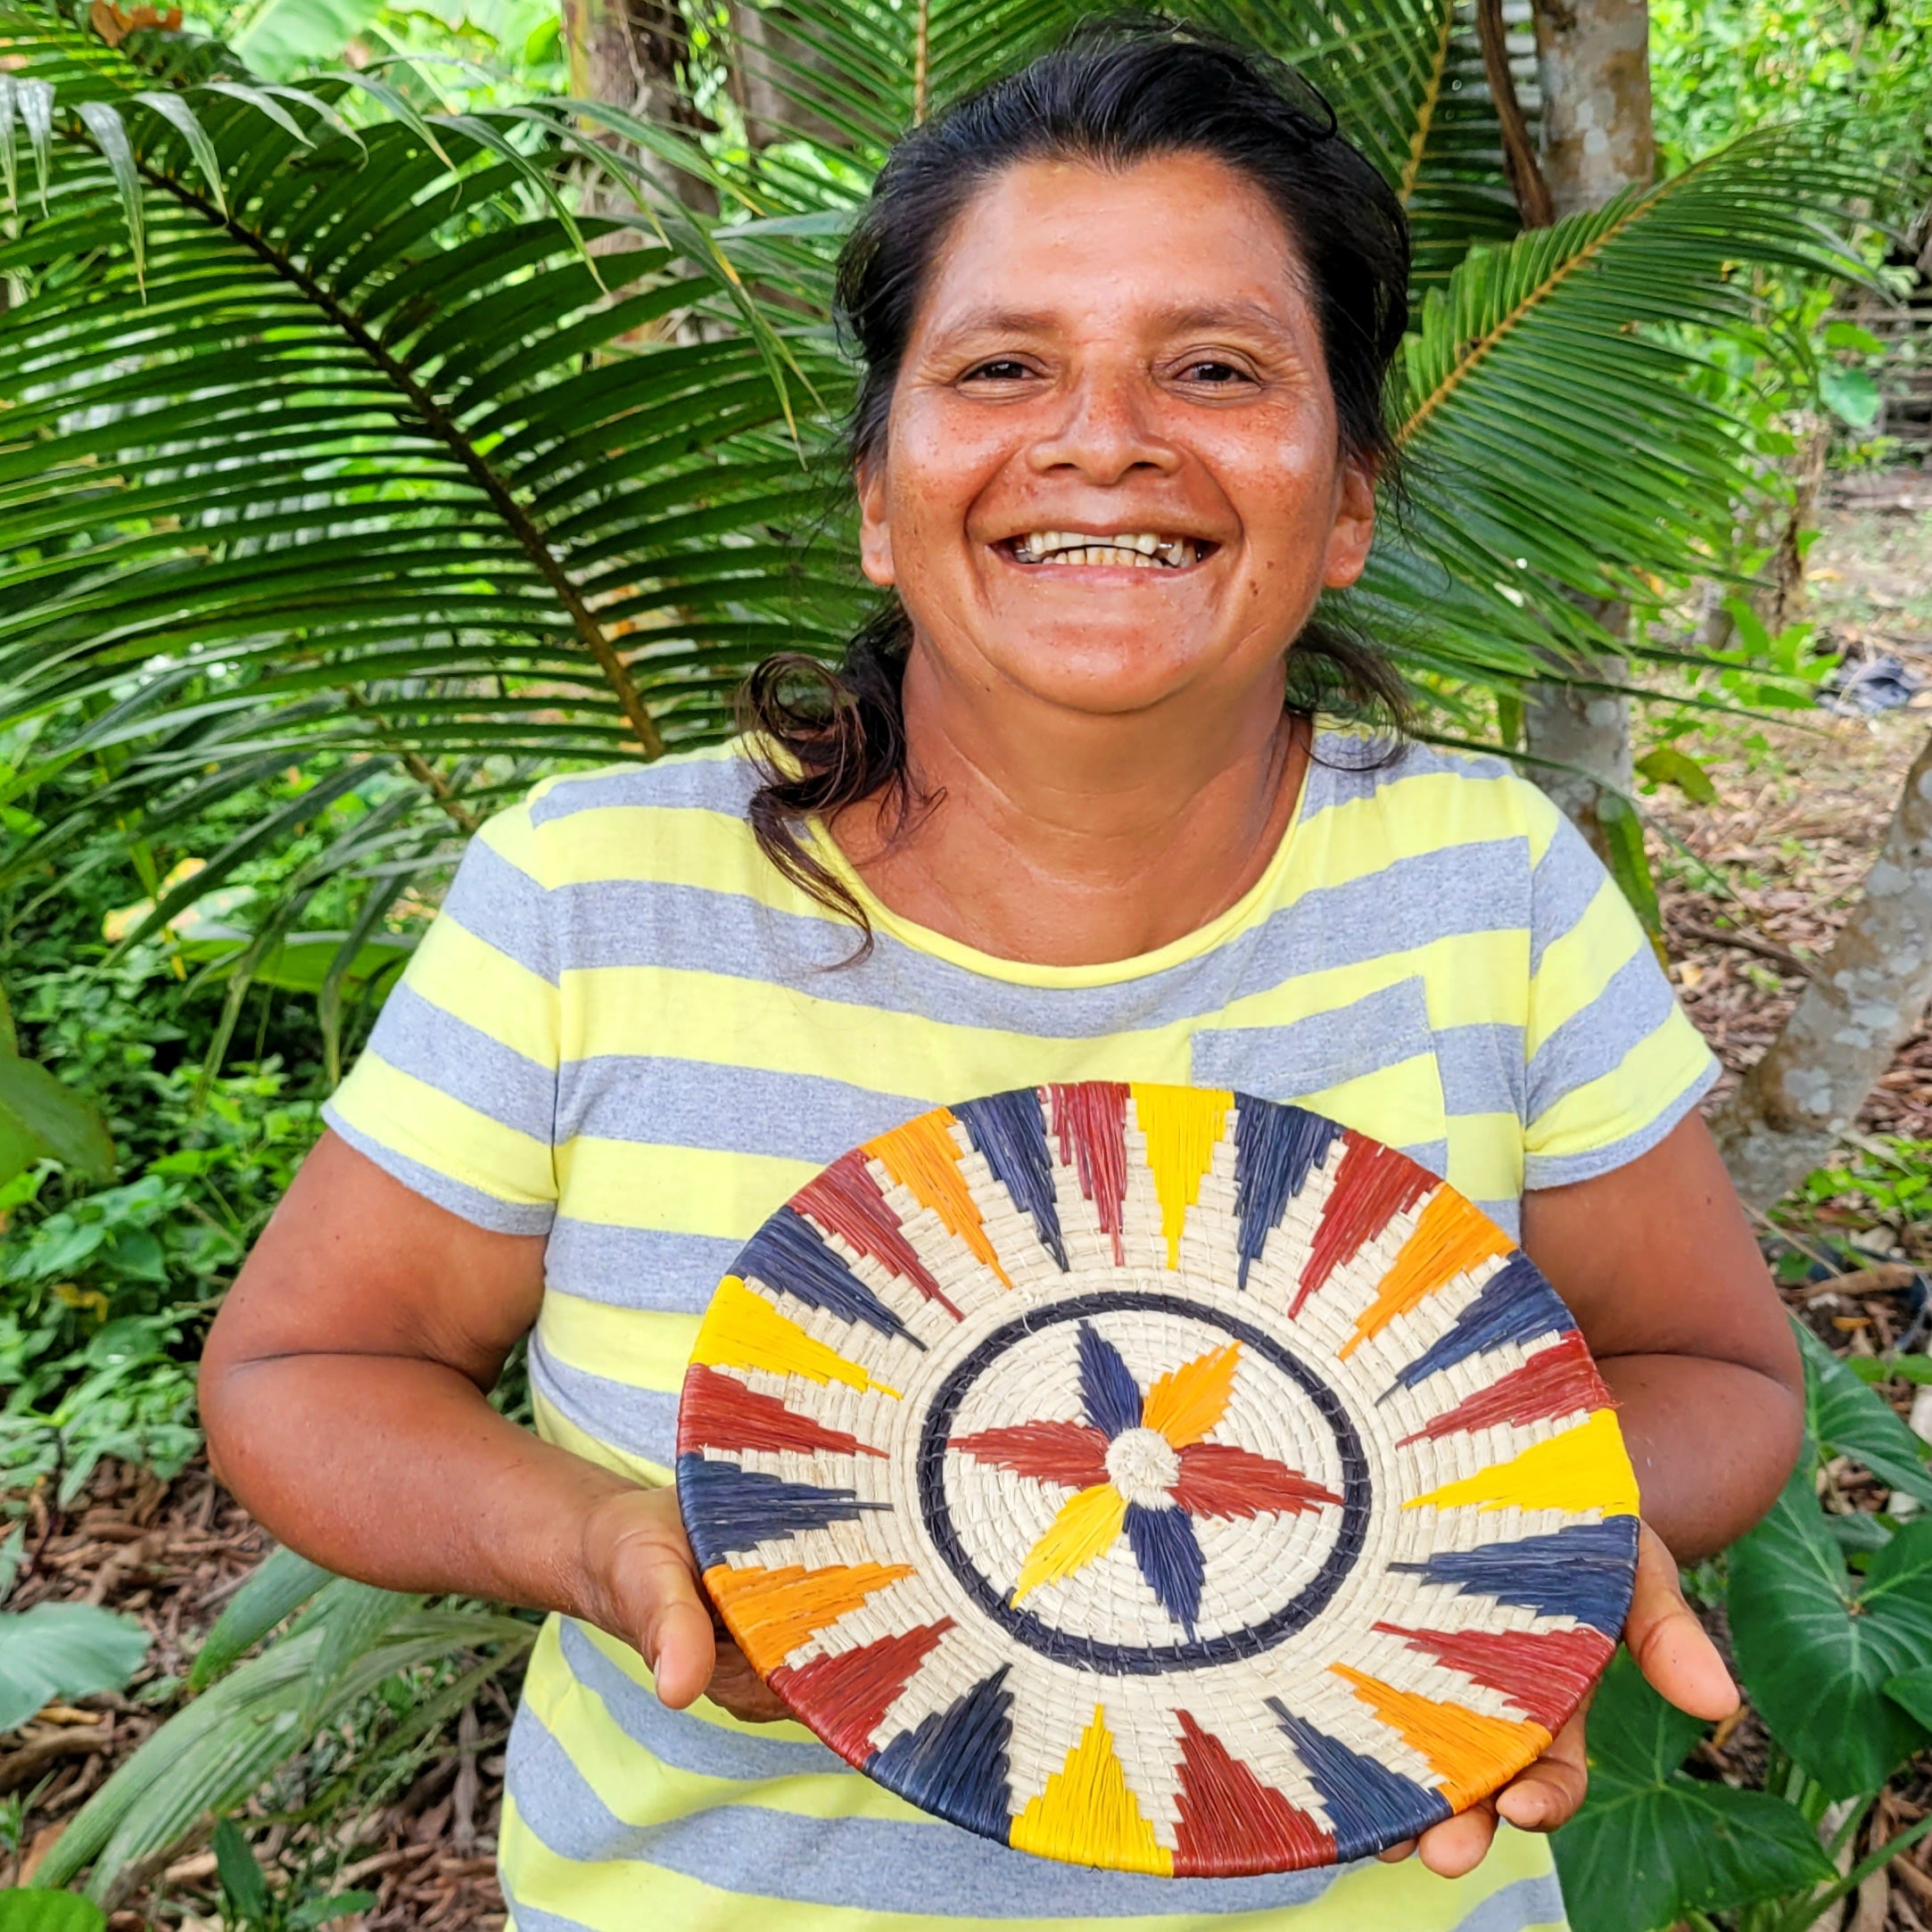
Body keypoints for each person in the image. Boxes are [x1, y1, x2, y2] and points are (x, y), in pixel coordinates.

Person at [201, 24, 1799, 1932]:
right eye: (1001, 368)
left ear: (1350, 498)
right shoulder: (594, 894)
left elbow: (1712, 1370)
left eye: (1213, 367)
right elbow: (305, 1368)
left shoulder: (1491, 891)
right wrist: (604, 1541)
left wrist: (1535, 1537)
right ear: (880, 495)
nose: (1103, 437)